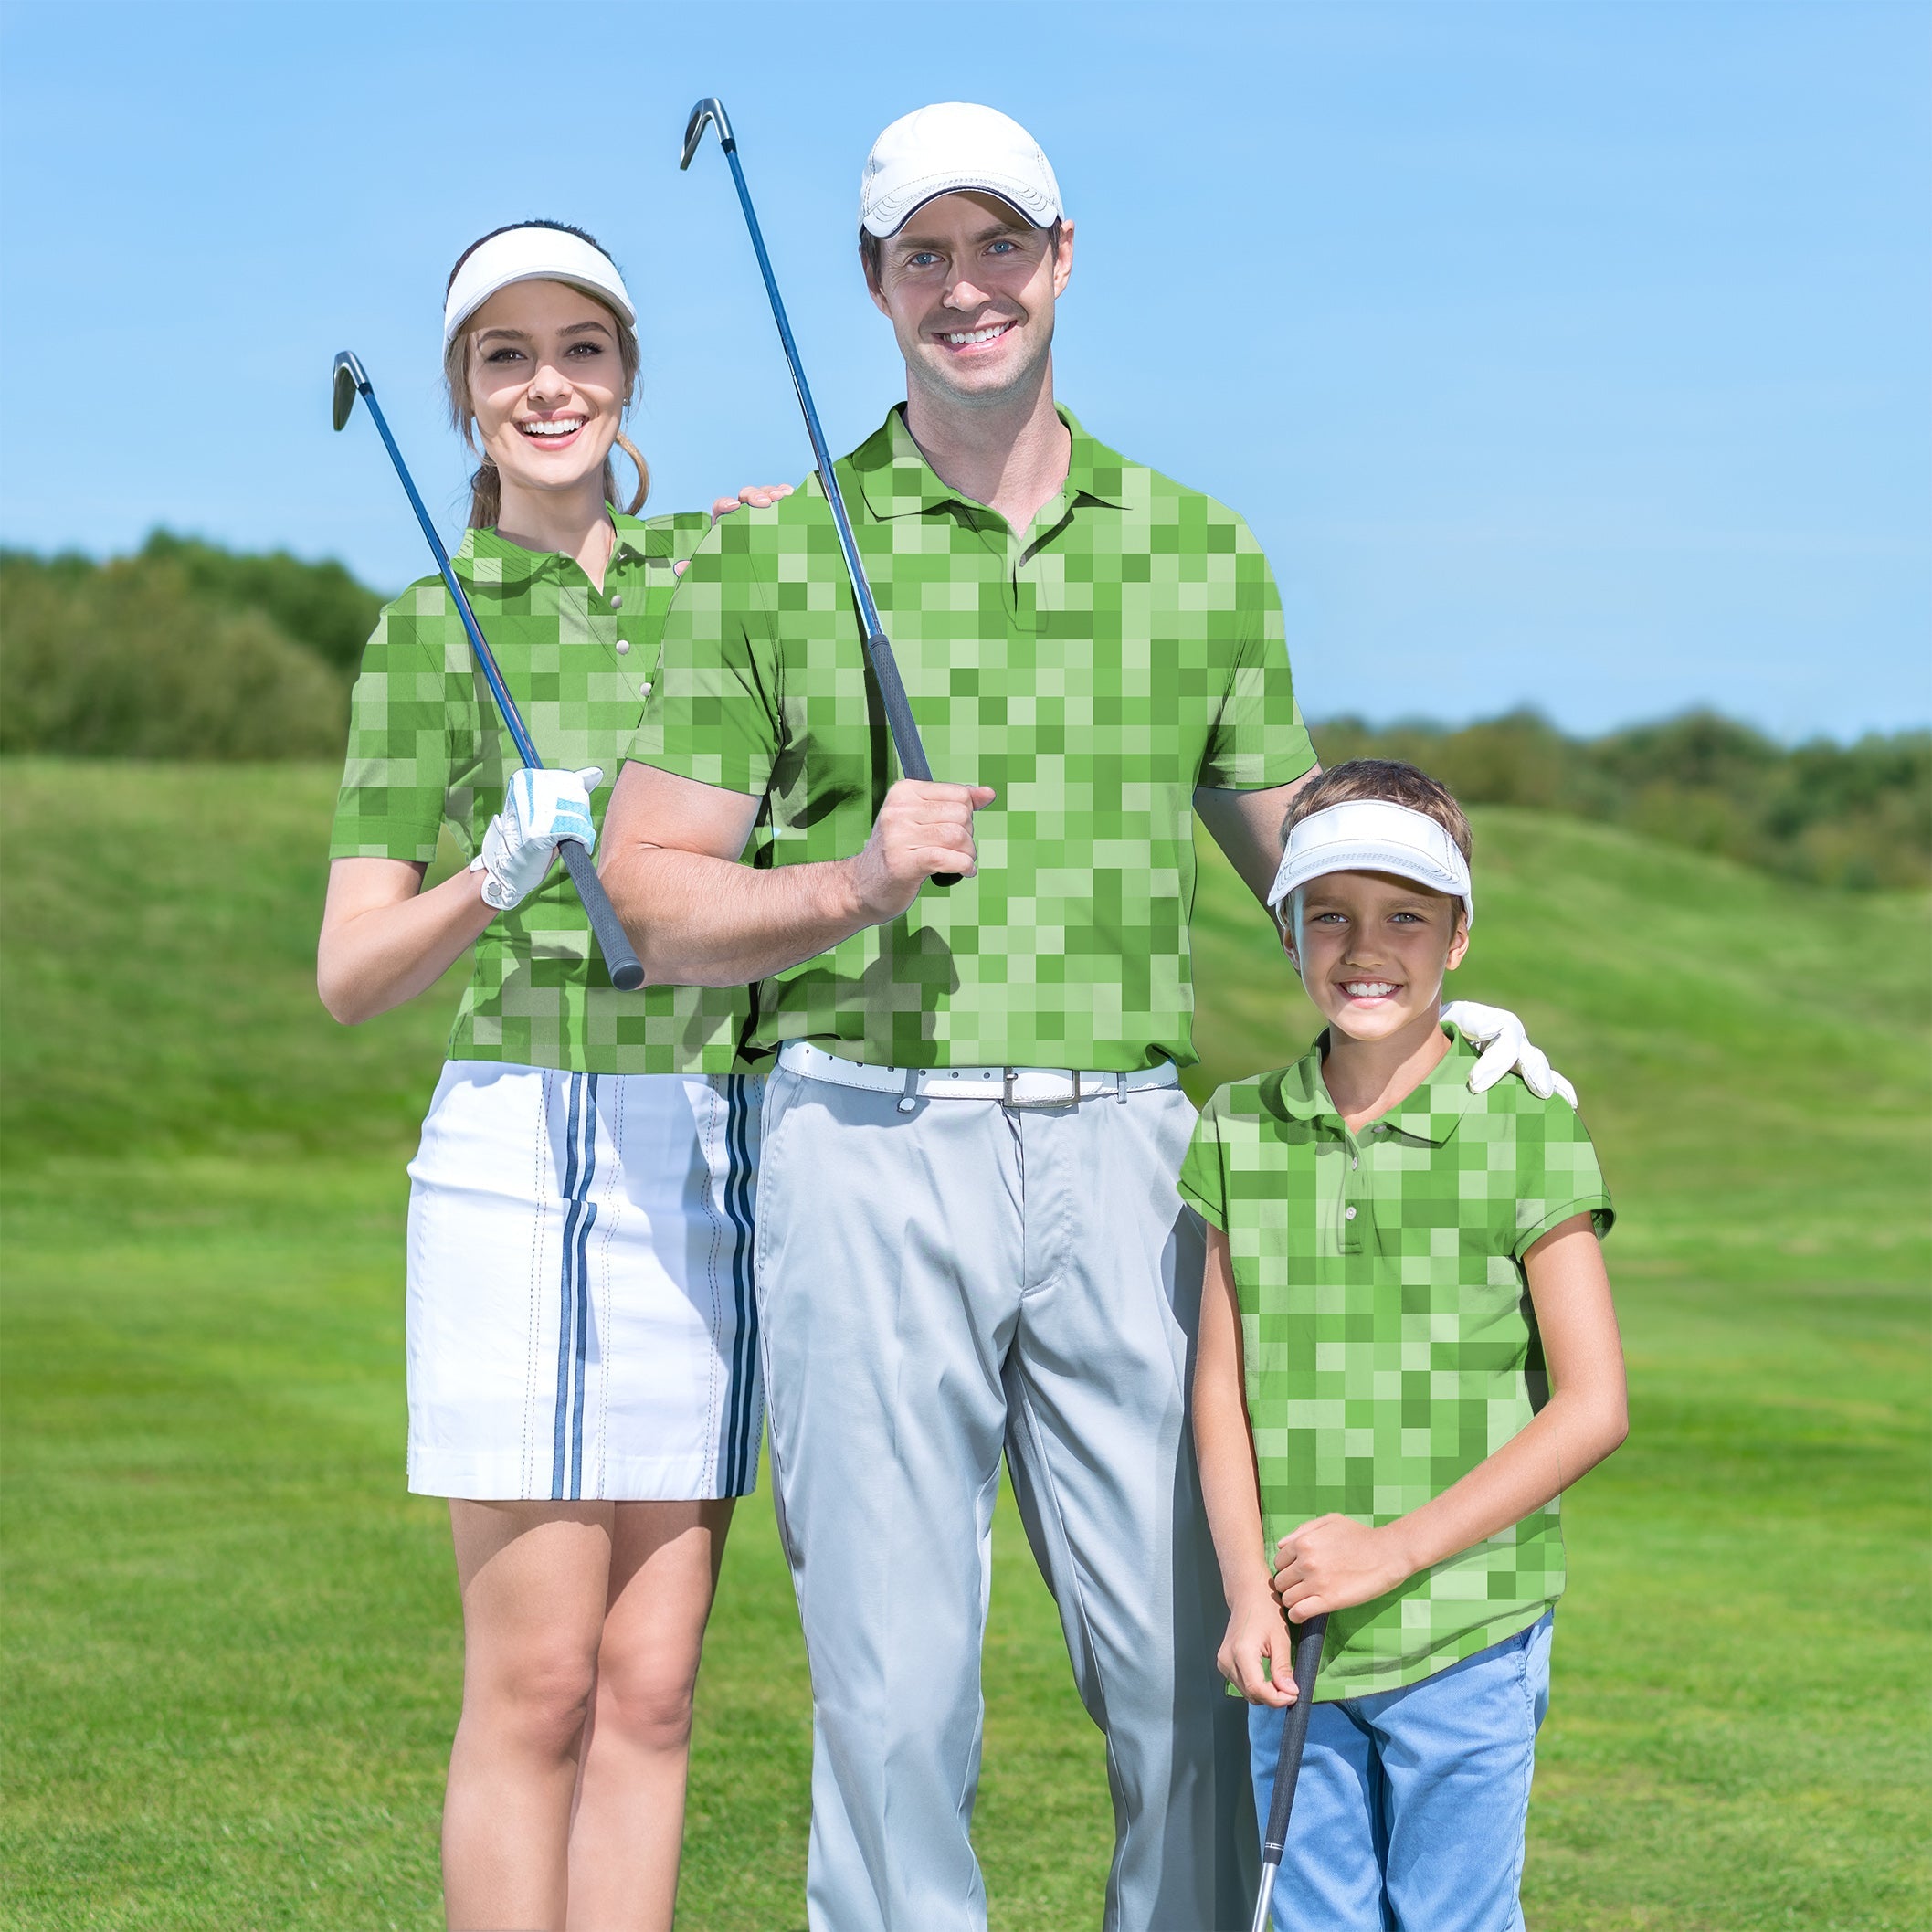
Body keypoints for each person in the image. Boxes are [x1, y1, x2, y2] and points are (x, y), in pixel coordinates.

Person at [599, 106, 1565, 1931]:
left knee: (1200, 1667)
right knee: (894, 1699)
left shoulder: (1199, 555)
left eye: (999, 245)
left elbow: (1301, 857)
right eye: (923, 255)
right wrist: (840, 888)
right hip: (860, 1133)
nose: (967, 288)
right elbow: (649, 894)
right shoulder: (777, 553)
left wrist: (1444, 984)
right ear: (875, 286)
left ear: (1061, 256)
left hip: (1134, 1159)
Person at [317, 220, 788, 1932]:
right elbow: (351, 972)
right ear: (461, 395)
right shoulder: (424, 632)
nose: (548, 385)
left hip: (701, 1147)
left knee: (654, 1687)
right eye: (505, 356)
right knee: (538, 1687)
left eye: (579, 349)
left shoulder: (725, 582)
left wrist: (773, 544)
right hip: (519, 1146)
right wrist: (491, 878)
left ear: (627, 375)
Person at [1183, 759, 1629, 1932]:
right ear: (1285, 929)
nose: (1363, 946)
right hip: (1294, 1628)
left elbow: (1593, 1405)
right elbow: (1218, 1388)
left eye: (1404, 917)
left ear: (1458, 939)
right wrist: (1244, 1593)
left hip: (1468, 1624)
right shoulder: (1238, 1127)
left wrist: (1393, 1552)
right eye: (1328, 913)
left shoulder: (1525, 1123)